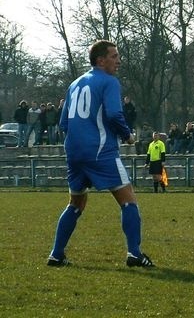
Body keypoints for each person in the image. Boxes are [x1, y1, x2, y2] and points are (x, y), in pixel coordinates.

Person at [46, 39, 155, 268]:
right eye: (114, 56)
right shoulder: (109, 82)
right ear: (100, 60)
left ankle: (56, 254)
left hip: (74, 153)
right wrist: (127, 136)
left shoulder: (74, 84)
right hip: (99, 152)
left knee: (76, 203)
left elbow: (63, 123)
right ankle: (134, 253)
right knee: (128, 201)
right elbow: (115, 115)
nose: (118, 61)